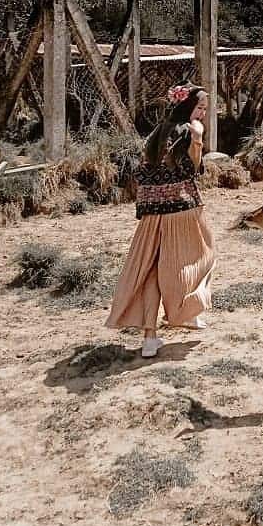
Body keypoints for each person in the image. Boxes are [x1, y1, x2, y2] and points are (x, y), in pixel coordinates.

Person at [106, 83, 215, 357]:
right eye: (199, 108)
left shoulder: (157, 132)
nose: (202, 114)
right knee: (203, 257)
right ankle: (187, 312)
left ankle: (149, 338)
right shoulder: (185, 132)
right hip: (181, 210)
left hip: (152, 212)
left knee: (153, 271)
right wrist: (198, 139)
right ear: (187, 106)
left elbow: (143, 173)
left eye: (204, 109)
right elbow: (191, 170)